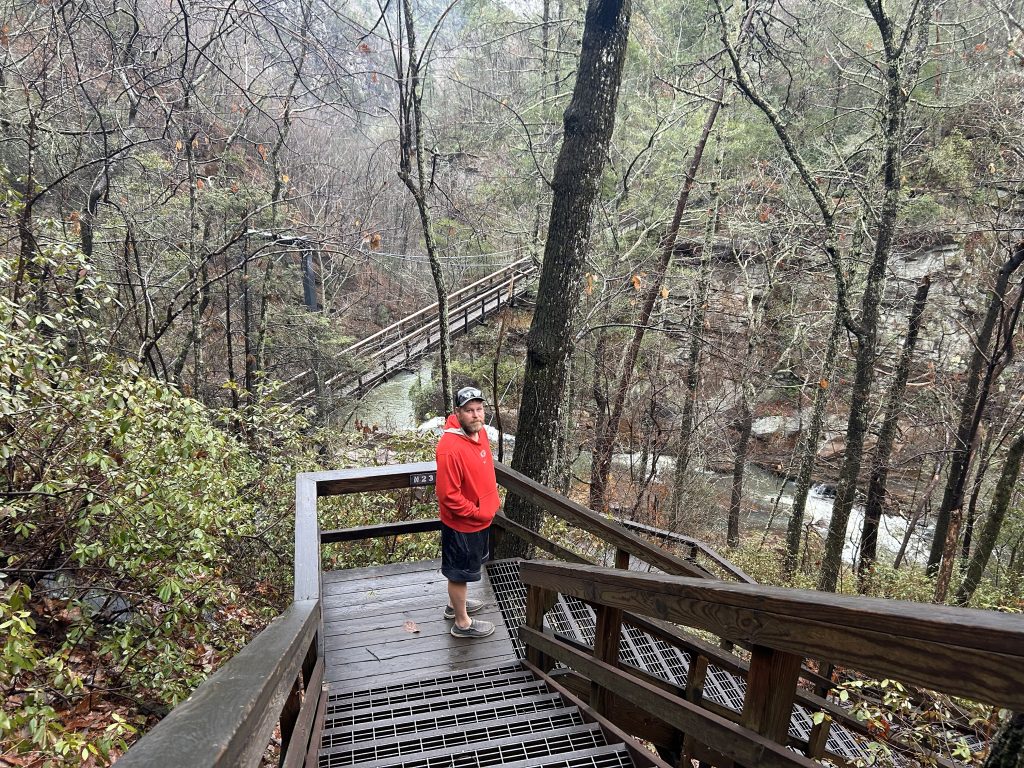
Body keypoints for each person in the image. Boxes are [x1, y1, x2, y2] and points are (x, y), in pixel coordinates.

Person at [435, 386, 500, 638]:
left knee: (465, 570)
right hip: (462, 524)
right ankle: (462, 624)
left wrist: (490, 502)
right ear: (458, 413)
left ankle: (455, 606)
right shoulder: (449, 448)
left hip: (480, 519)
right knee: (458, 573)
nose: (476, 415)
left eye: (479, 409)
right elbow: (448, 496)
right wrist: (477, 512)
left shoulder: (479, 432)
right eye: (469, 410)